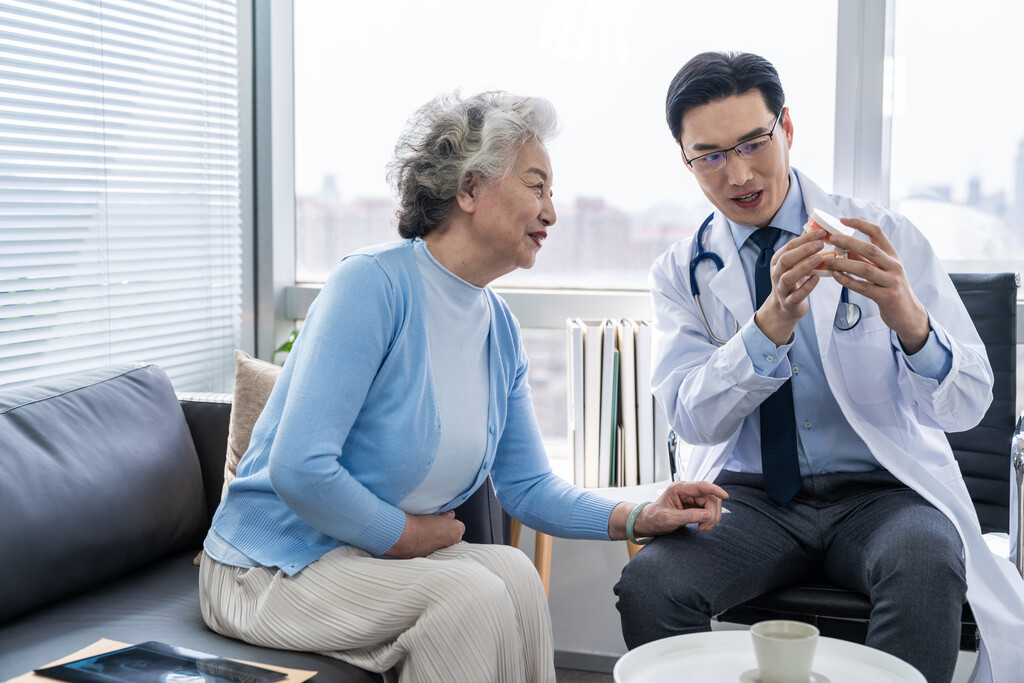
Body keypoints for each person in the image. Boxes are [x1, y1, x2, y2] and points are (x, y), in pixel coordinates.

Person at [198, 90, 728, 683]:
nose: (551, 212)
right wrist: (406, 535)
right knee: (466, 596)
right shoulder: (371, 286)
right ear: (469, 190)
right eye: (535, 186)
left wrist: (638, 516)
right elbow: (300, 468)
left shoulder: (498, 327)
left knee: (515, 574)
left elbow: (527, 487)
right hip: (268, 568)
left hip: (359, 562)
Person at [613, 51, 1024, 683]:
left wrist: (909, 319)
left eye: (754, 142)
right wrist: (769, 322)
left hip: (882, 495)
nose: (739, 173)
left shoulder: (885, 236)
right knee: (652, 585)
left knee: (926, 563)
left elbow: (968, 404)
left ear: (788, 129)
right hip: (750, 503)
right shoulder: (681, 272)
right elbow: (692, 419)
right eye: (711, 155)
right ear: (687, 161)